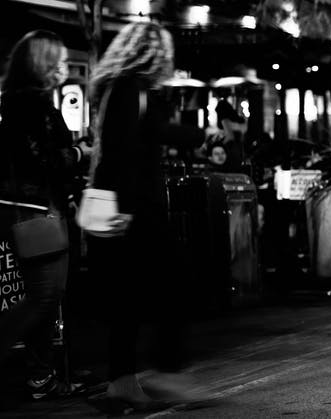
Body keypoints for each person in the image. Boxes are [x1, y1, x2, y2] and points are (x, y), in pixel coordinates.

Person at [86, 22, 207, 411]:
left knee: (129, 297)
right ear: (153, 53)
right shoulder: (127, 90)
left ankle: (123, 382)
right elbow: (121, 153)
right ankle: (163, 373)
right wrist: (124, 210)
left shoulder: (124, 89)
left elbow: (145, 136)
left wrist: (193, 136)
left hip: (133, 208)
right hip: (135, 211)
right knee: (175, 283)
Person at [0, 31, 88, 405]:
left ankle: (42, 375)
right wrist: (80, 154)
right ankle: (37, 372)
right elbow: (42, 161)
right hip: (37, 211)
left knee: (48, 299)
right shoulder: (30, 106)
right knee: (44, 295)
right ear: (42, 64)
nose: (64, 66)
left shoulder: (21, 103)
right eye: (59, 60)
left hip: (38, 208)